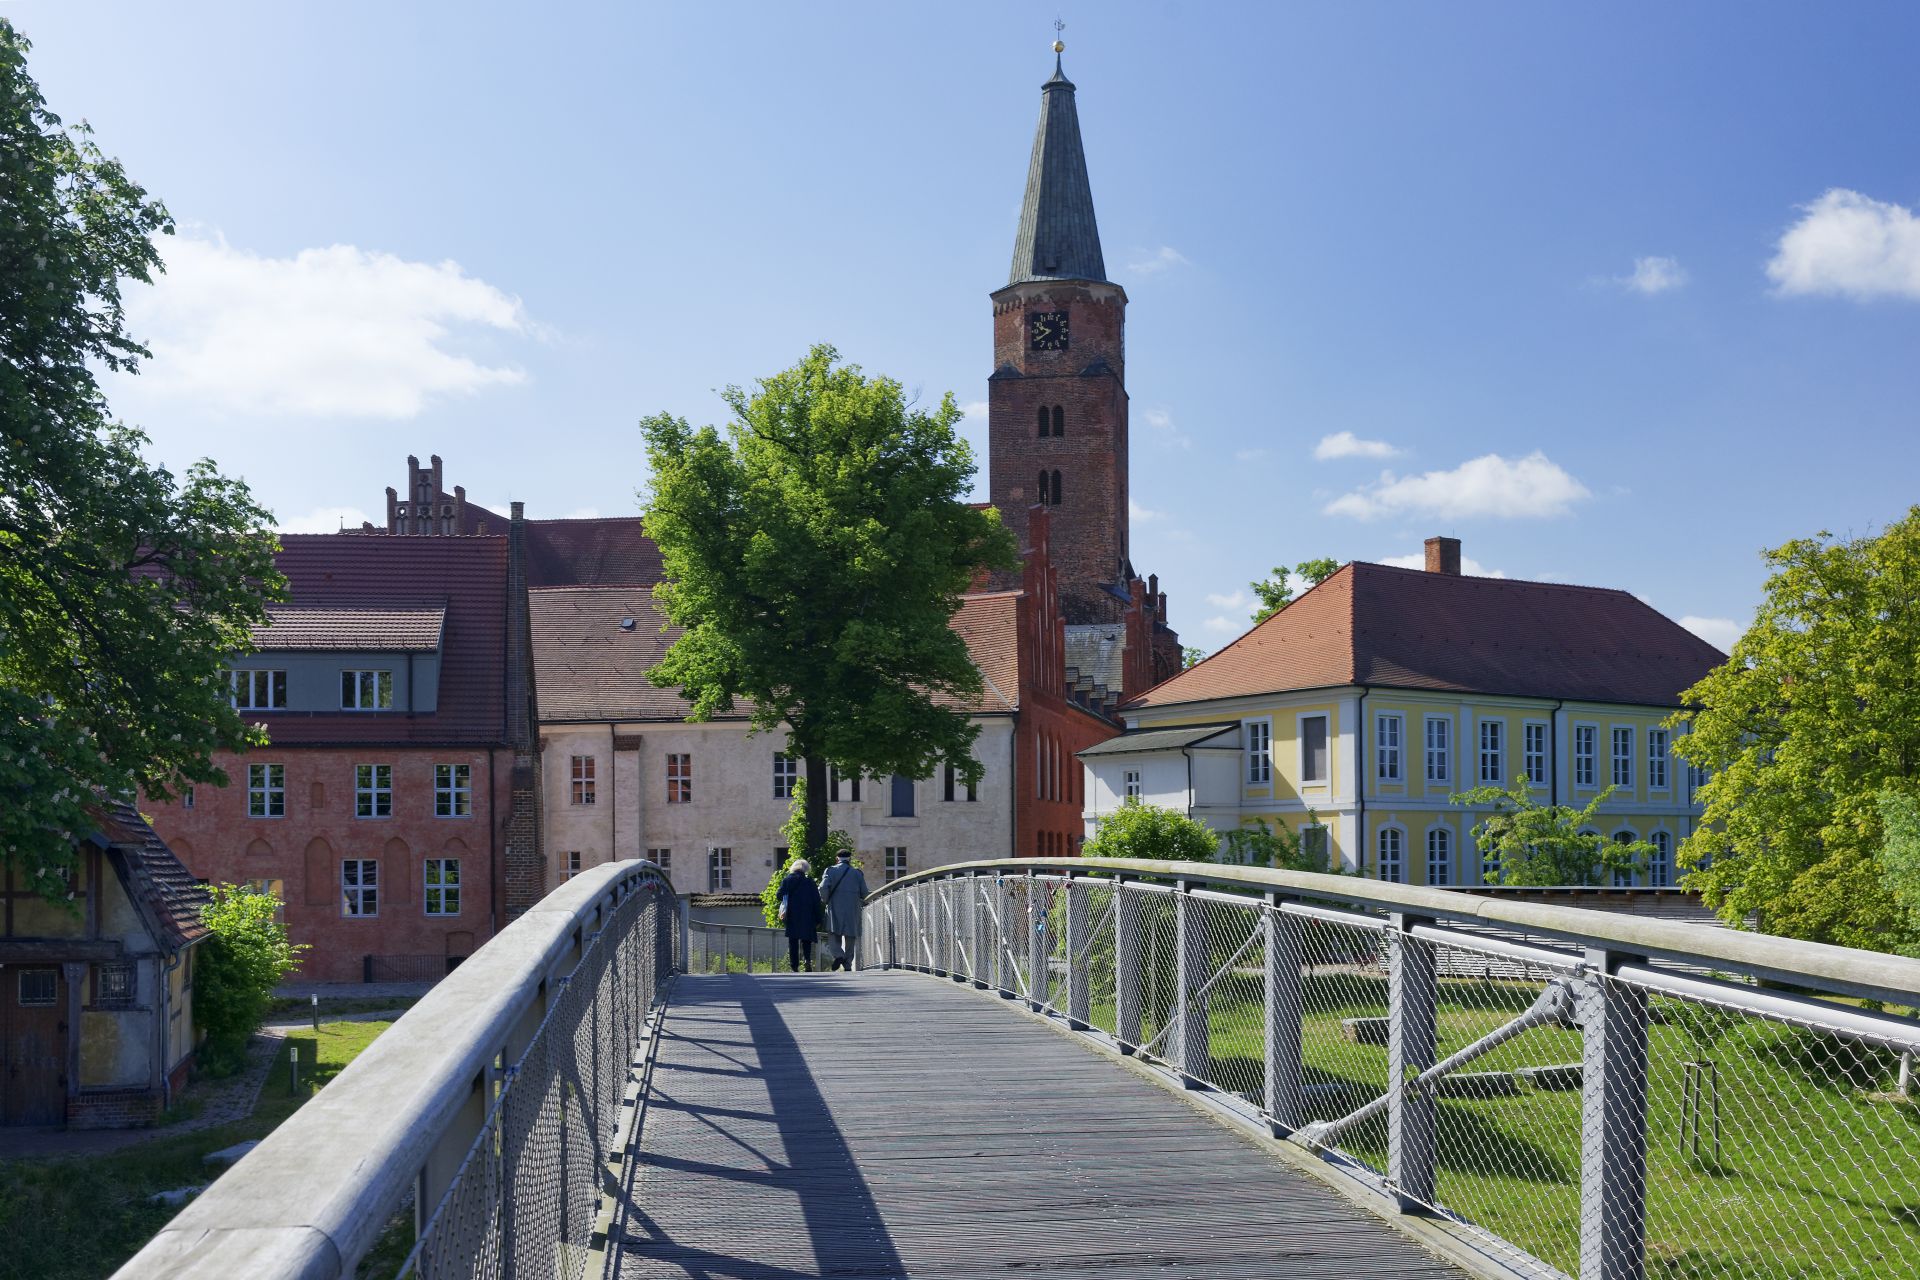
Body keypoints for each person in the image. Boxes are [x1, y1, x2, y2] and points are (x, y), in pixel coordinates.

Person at [818, 850, 868, 972]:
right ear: (849, 859)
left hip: (835, 907)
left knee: (833, 933)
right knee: (851, 935)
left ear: (837, 858)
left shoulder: (830, 871)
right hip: (852, 908)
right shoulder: (857, 873)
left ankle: (839, 955)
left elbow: (822, 888)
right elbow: (864, 893)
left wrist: (825, 900)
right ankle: (848, 964)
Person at [777, 858, 822, 973]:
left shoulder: (787, 880)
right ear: (806, 869)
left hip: (792, 914)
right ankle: (807, 959)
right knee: (806, 939)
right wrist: (818, 918)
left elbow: (779, 895)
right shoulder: (810, 882)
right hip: (808, 914)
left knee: (793, 940)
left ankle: (794, 965)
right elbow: (817, 901)